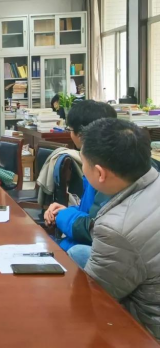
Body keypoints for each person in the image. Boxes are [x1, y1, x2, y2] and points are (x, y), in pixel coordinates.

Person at [81, 119, 160, 340]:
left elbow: (95, 300)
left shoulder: (115, 229)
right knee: (78, 253)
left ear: (100, 173)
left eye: (83, 163)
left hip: (146, 330)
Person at [43, 101, 117, 263]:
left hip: (90, 252)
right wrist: (68, 210)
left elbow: (93, 227)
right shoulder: (109, 162)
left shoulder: (106, 172)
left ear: (83, 135)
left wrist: (63, 215)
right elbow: (90, 211)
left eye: (70, 130)